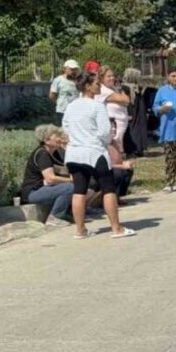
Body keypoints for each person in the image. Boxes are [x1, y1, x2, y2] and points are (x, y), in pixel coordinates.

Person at [61, 72, 135, 239]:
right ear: (87, 86)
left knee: (78, 190)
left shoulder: (71, 106)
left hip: (74, 153)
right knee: (108, 189)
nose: (99, 86)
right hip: (94, 152)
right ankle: (116, 228)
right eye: (96, 83)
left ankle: (80, 230)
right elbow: (105, 132)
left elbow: (66, 128)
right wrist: (104, 141)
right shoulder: (97, 106)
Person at [20, 125, 74, 227]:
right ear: (46, 140)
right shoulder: (42, 154)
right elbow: (50, 179)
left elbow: (64, 170)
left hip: (42, 189)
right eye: (56, 136)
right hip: (33, 192)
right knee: (69, 187)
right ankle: (55, 217)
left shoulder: (54, 153)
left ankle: (71, 212)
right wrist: (70, 180)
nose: (59, 138)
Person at [49, 59, 80, 126]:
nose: (73, 71)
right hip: (62, 111)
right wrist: (59, 103)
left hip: (76, 111)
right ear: (65, 69)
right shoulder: (58, 80)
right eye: (71, 69)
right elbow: (52, 95)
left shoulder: (79, 81)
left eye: (75, 69)